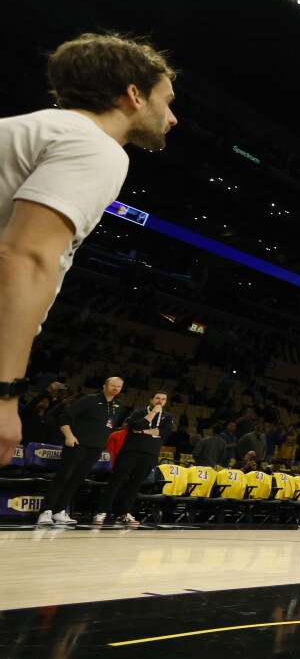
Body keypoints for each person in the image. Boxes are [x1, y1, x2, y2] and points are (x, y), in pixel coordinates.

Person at [0, 33, 178, 465]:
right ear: (134, 95)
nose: (173, 118)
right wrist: (5, 395)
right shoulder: (96, 145)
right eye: (167, 101)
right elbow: (25, 258)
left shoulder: (33, 127)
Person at [36, 377, 126, 526]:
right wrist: (69, 436)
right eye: (112, 385)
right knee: (63, 477)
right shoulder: (89, 399)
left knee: (77, 480)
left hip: (95, 448)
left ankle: (59, 511)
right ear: (104, 386)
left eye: (119, 386)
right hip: (77, 444)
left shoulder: (119, 405)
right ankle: (46, 511)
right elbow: (65, 417)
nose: (115, 388)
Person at [93, 391, 173, 525]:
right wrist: (152, 413)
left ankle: (124, 512)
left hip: (150, 454)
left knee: (135, 485)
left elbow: (164, 432)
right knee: (116, 482)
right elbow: (137, 425)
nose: (160, 401)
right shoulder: (139, 412)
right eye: (157, 398)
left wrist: (143, 432)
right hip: (130, 452)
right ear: (151, 400)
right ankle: (102, 512)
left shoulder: (167, 416)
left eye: (163, 399)